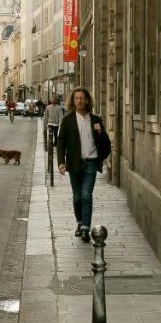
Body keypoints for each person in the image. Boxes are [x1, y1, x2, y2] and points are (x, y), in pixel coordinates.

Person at [56, 87, 111, 242]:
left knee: (86, 195)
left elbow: (106, 146)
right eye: (76, 98)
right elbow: (61, 143)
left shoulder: (95, 120)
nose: (79, 101)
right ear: (73, 101)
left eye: (82, 98)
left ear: (87, 100)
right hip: (74, 164)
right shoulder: (68, 120)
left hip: (91, 163)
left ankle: (86, 228)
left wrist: (101, 133)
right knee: (77, 197)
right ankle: (80, 223)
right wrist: (61, 162)